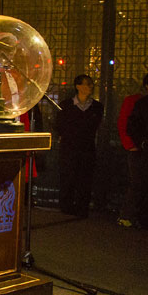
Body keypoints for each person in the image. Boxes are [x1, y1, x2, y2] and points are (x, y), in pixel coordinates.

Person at [55, 74, 103, 218]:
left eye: (90, 84)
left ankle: (82, 207)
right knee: (68, 176)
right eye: (86, 84)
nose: (89, 87)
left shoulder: (96, 106)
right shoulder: (66, 105)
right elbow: (59, 124)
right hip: (69, 147)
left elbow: (95, 125)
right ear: (78, 87)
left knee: (85, 178)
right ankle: (67, 206)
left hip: (87, 147)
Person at [119, 70, 148, 228]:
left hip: (145, 149)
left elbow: (129, 125)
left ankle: (136, 217)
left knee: (140, 183)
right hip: (146, 148)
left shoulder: (140, 102)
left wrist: (137, 143)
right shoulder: (141, 101)